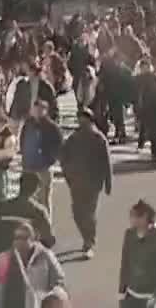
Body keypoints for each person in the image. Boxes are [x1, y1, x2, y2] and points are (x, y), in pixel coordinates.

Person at [58, 108, 112, 257]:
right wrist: (68, 175)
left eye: (84, 119)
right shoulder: (73, 138)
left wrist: (108, 183)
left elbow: (106, 162)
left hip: (93, 182)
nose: (82, 121)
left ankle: (89, 241)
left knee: (89, 212)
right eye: (79, 118)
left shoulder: (99, 138)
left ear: (90, 120)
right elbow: (63, 158)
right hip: (76, 182)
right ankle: (86, 236)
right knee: (77, 213)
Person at [0, 219, 67, 308]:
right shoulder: (3, 260)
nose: (20, 242)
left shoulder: (46, 256)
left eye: (24, 238)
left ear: (33, 239)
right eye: (17, 238)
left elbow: (59, 281)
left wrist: (51, 296)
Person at [118, 200, 156, 308]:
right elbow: (125, 263)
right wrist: (121, 290)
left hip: (152, 297)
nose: (131, 219)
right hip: (131, 294)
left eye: (134, 216)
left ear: (145, 217)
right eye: (131, 216)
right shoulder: (129, 234)